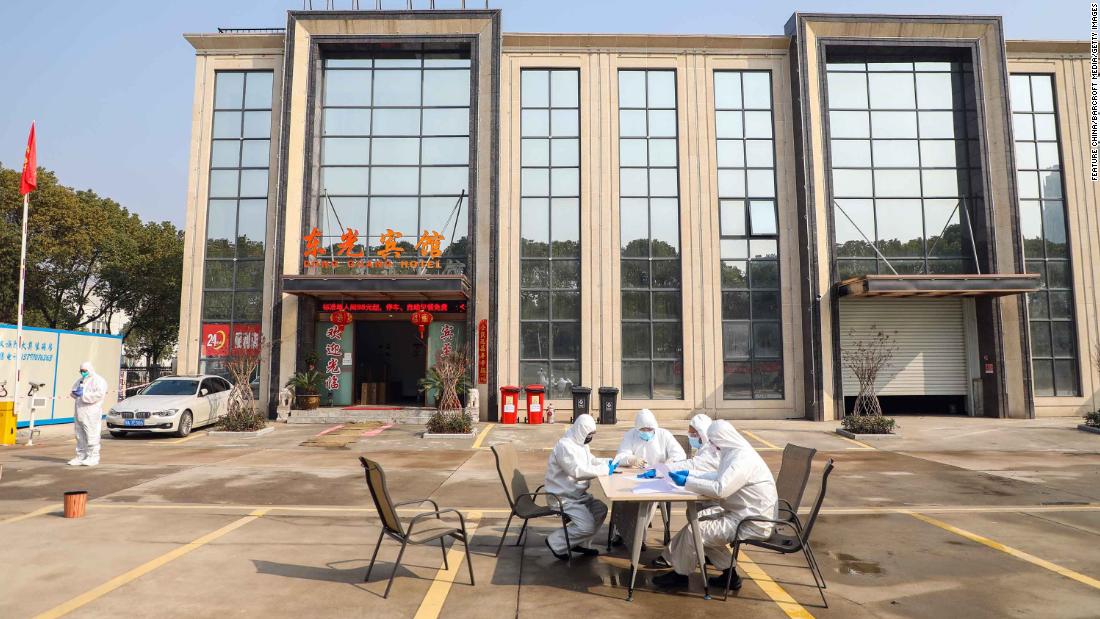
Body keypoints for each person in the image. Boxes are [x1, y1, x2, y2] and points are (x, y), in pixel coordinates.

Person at [652, 420, 778, 591]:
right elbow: (718, 475)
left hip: (751, 522)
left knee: (694, 531)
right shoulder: (734, 452)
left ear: (722, 439)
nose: (710, 444)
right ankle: (730, 575)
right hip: (740, 514)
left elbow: (720, 489)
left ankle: (680, 576)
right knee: (698, 522)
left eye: (712, 441)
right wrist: (692, 475)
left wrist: (687, 482)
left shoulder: (742, 459)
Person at [609, 409, 686, 548]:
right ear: (637, 428)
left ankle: (638, 537)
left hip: (658, 477)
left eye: (649, 429)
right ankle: (621, 532)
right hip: (634, 476)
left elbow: (680, 455)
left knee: (649, 501)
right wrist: (631, 459)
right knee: (622, 500)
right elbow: (620, 457)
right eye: (643, 429)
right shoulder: (630, 435)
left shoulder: (664, 435)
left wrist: (667, 465)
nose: (646, 432)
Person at [543, 413, 612, 560]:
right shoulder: (565, 446)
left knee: (600, 510)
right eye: (589, 434)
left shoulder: (581, 444)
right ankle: (556, 542)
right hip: (562, 497)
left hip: (577, 495)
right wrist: (605, 470)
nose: (590, 437)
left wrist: (610, 462)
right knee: (586, 526)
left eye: (592, 434)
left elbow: (591, 461)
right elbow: (576, 471)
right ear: (581, 431)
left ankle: (580, 543)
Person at [68, 361, 108, 467]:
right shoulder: (80, 380)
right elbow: (73, 391)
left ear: (90, 369)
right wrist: (75, 393)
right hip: (79, 412)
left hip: (91, 412)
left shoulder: (98, 380)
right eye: (81, 371)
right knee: (79, 436)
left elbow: (99, 394)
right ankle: (81, 456)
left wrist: (83, 395)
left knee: (91, 435)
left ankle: (93, 457)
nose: (82, 373)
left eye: (84, 371)